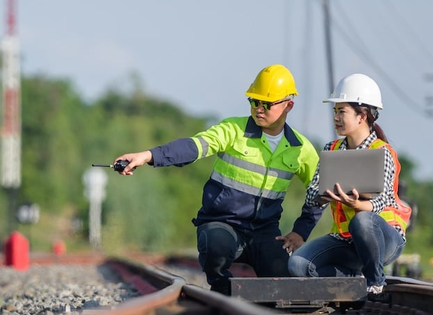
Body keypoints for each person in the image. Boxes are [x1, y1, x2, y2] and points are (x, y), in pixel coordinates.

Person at [114, 64, 323, 295]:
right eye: (254, 101)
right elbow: (193, 147)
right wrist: (149, 155)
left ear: (288, 105)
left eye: (266, 103)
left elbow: (320, 191)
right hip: (222, 223)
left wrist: (301, 231)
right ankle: (224, 294)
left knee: (287, 277)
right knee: (217, 247)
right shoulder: (233, 129)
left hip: (264, 232)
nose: (259, 109)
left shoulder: (301, 149)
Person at [286, 73, 412, 296]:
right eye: (335, 111)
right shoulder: (331, 149)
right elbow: (313, 196)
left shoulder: (382, 152)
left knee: (362, 221)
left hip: (383, 239)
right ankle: (354, 279)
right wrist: (325, 197)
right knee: (298, 265)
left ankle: (375, 281)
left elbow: (380, 203)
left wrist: (354, 203)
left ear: (362, 115)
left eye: (341, 111)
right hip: (345, 241)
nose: (335, 117)